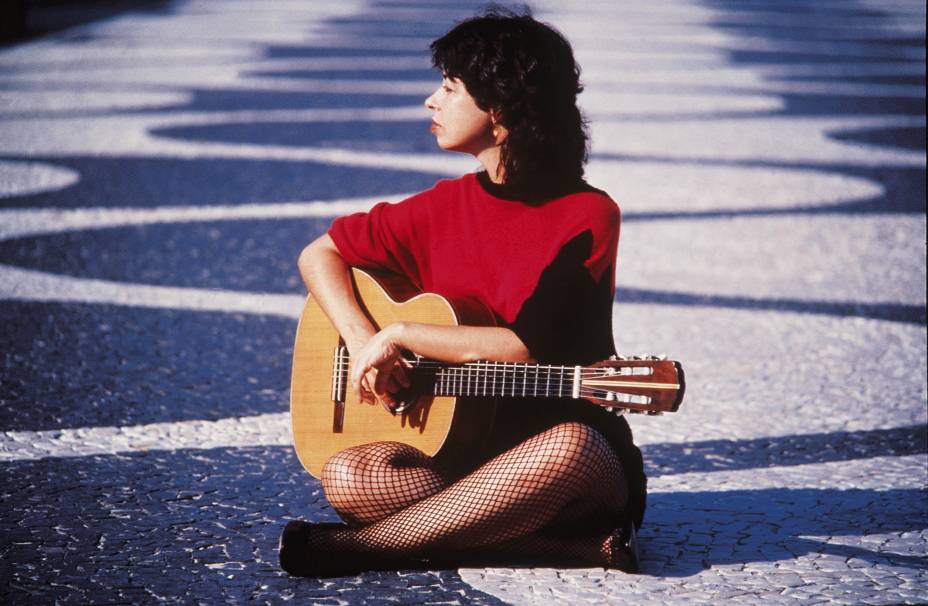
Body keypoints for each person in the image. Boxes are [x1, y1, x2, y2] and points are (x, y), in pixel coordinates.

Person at [280, 9, 646, 577]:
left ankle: (354, 549)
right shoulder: (443, 206)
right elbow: (319, 253)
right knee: (349, 474)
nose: (431, 101)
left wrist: (401, 332)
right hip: (455, 458)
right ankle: (555, 548)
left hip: (559, 460)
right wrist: (365, 340)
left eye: (449, 88)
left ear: (498, 114)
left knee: (572, 448)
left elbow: (523, 347)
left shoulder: (588, 214)